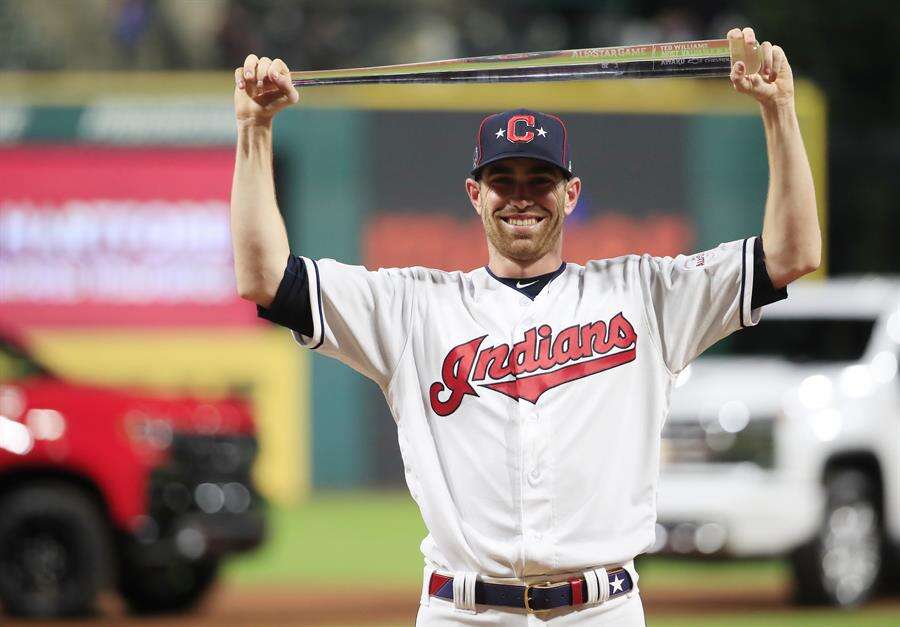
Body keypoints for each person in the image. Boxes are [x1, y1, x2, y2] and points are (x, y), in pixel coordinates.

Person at [230, 27, 820, 626]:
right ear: (474, 194)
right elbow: (266, 278)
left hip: (600, 610)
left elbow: (792, 251)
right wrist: (254, 129)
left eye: (539, 180)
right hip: (462, 610)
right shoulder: (413, 306)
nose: (520, 198)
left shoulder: (645, 293)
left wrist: (780, 112)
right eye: (501, 181)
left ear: (571, 194)